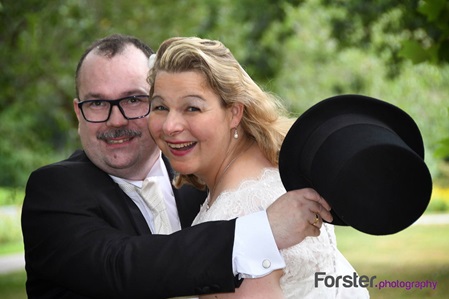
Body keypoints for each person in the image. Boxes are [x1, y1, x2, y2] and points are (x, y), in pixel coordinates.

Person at [21, 34, 333, 299]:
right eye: (97, 103)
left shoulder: (208, 186)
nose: (115, 120)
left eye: (133, 100)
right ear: (79, 111)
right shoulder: (53, 191)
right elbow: (121, 266)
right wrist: (262, 231)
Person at [147, 36, 370, 298]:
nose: (170, 125)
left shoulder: (235, 223)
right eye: (160, 106)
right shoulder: (281, 171)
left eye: (192, 108)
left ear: (234, 113)